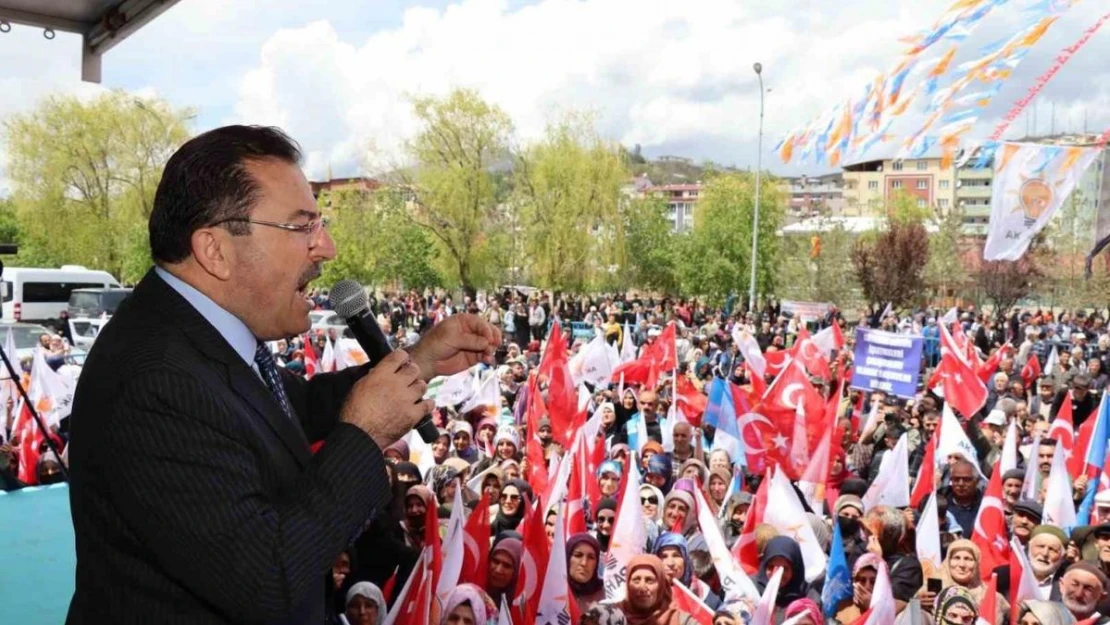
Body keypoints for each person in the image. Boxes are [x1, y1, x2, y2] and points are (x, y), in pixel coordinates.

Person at [65, 126, 501, 625]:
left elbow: (285, 409)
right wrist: (364, 436)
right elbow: (265, 579)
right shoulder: (152, 380)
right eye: (302, 227)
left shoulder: (196, 334)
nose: (327, 248)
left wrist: (418, 361)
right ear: (215, 249)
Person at [619, 554, 696, 625]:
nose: (642, 587)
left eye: (649, 580)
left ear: (661, 585)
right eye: (636, 580)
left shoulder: (681, 620)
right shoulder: (611, 615)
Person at [566, 533, 606, 613]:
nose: (584, 563)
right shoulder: (553, 591)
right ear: (567, 558)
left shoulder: (607, 596)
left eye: (591, 557)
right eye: (578, 555)